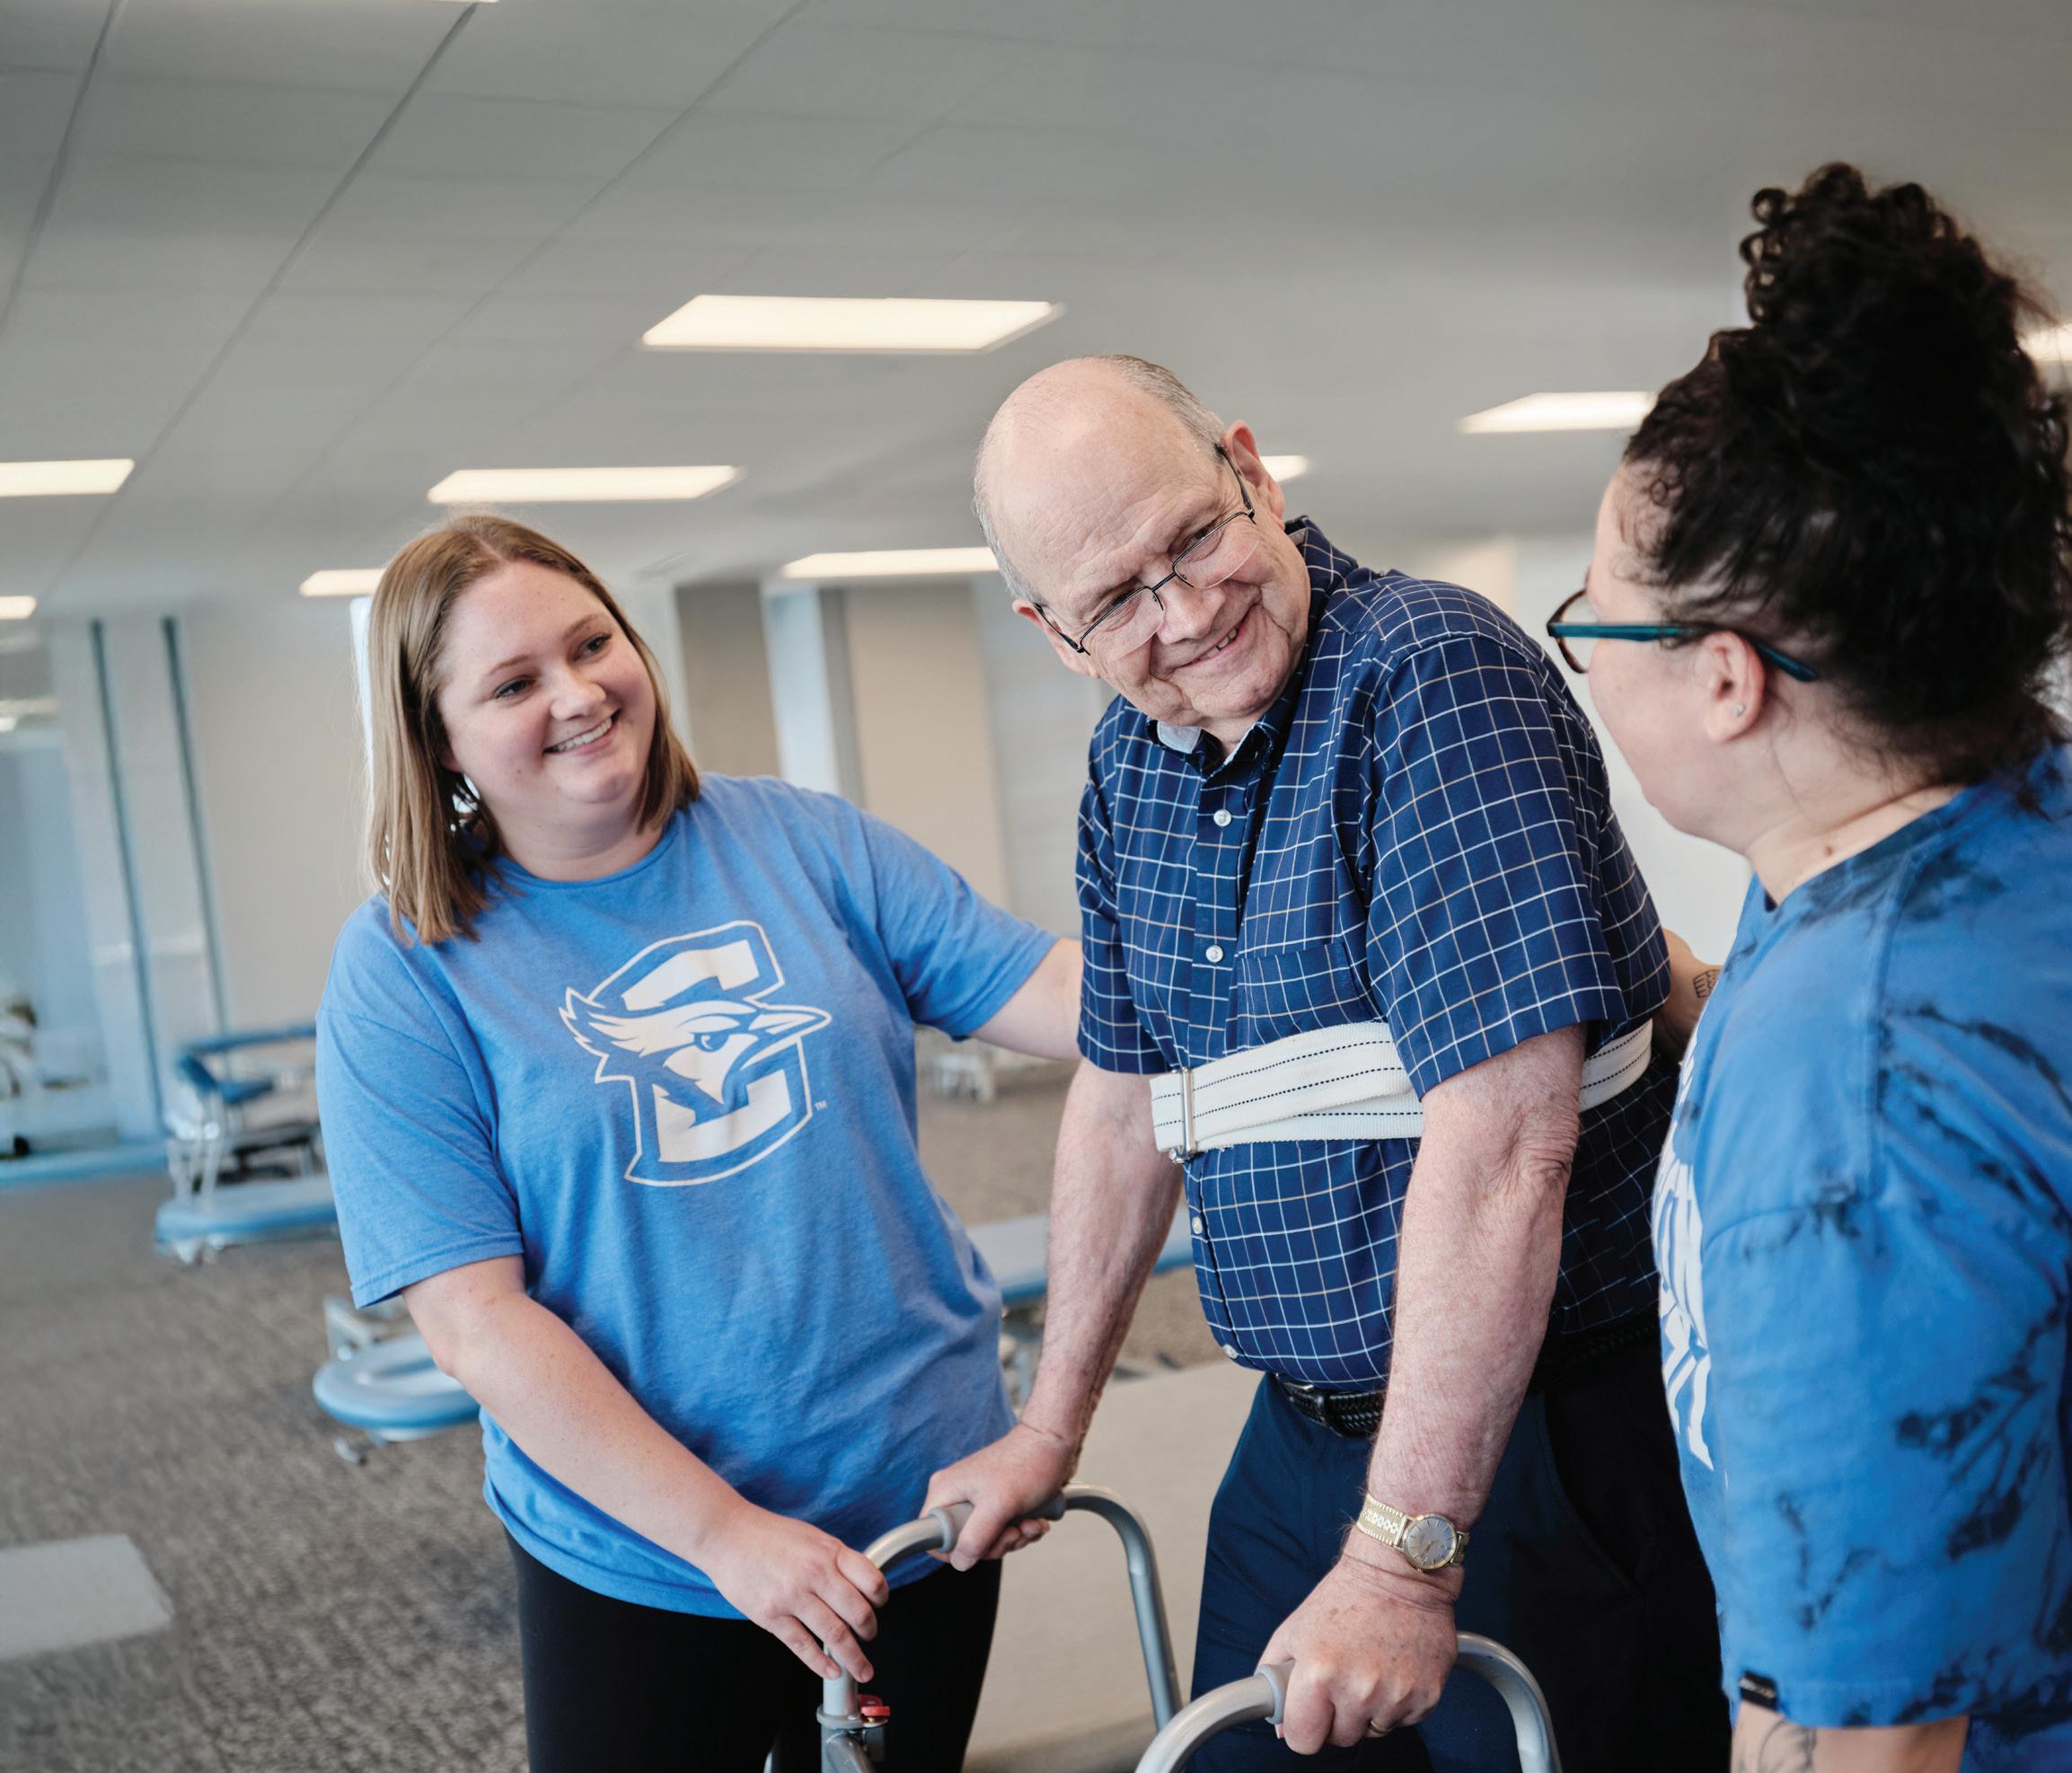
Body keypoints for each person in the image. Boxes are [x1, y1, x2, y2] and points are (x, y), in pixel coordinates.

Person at [931, 357, 1727, 1770]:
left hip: (1539, 1440)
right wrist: (1049, 1427)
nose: (1185, 611)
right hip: (1299, 1441)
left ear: (1252, 470)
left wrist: (1405, 1556)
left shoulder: (1429, 674)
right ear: (1054, 633)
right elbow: (1123, 1105)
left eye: (1193, 537)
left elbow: (1506, 1143)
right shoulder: (1131, 763)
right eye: (1118, 600)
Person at [315, 514, 1080, 1773]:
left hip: (915, 1504)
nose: (578, 694)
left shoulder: (806, 841)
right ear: (438, 738)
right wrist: (724, 1533)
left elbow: (1055, 991)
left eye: (591, 644)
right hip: (641, 1552)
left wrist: (1267, 952)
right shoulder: (406, 968)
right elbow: (474, 1323)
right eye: (513, 683)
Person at [1554, 164, 2072, 1771]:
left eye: (1593, 623)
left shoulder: (1843, 1094)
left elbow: (1874, 1737)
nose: (1585, 664)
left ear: (1725, 681)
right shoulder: (2000, 809)